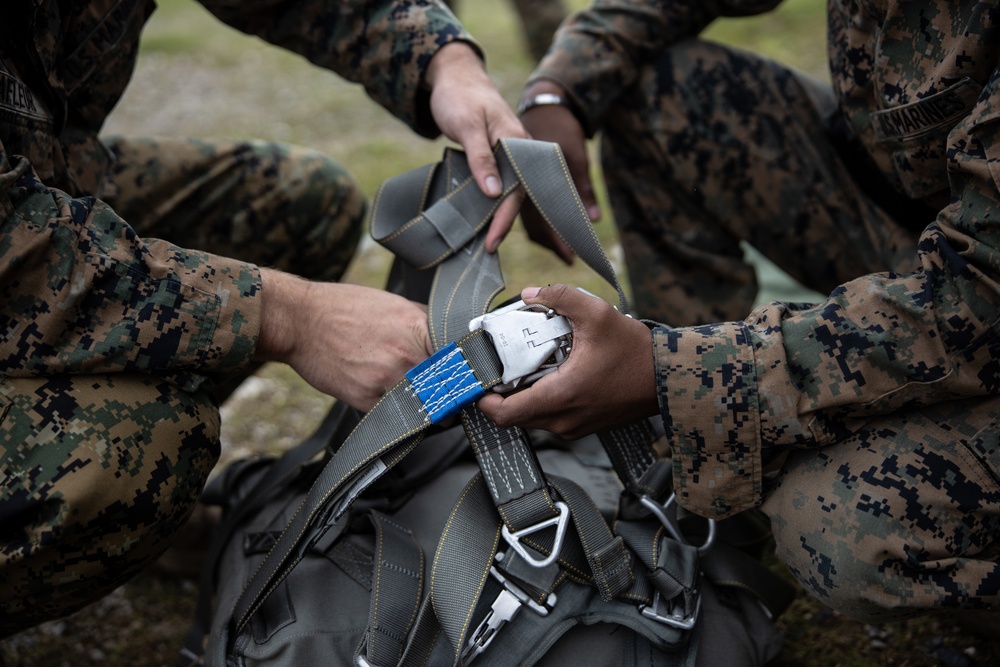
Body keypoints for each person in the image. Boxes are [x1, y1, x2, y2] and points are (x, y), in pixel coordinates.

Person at [0, 0, 530, 637]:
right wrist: (288, 315)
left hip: (51, 186)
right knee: (140, 450)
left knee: (305, 204)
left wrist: (444, 59)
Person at [479, 0, 1000, 623]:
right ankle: (699, 474)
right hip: (919, 217)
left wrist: (677, 376)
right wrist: (555, 92)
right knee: (660, 90)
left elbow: (977, 302)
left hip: (977, 296)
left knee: (838, 526)